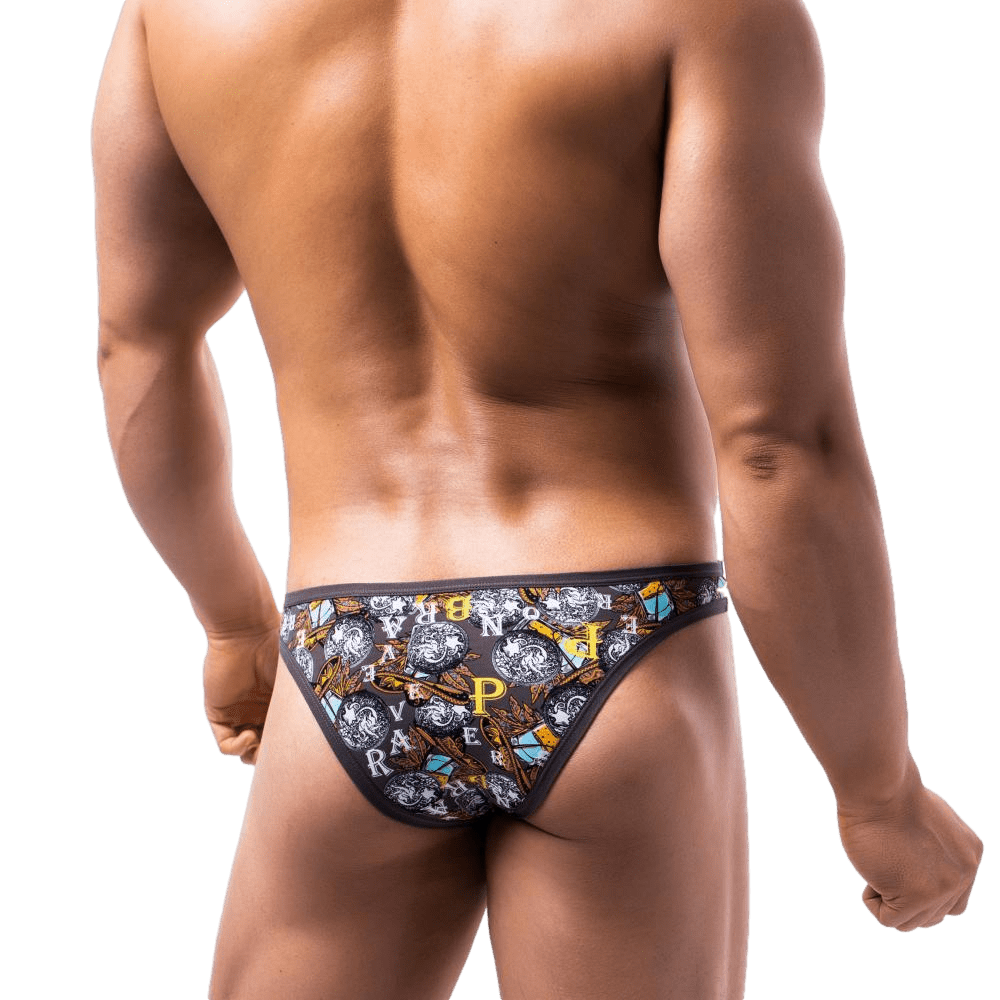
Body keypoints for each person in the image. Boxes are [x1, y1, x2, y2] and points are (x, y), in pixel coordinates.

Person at [91, 0, 984, 997]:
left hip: (347, 644)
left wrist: (232, 620)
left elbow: (136, 347)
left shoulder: (176, 16)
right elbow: (778, 447)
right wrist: (877, 793)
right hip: (616, 631)